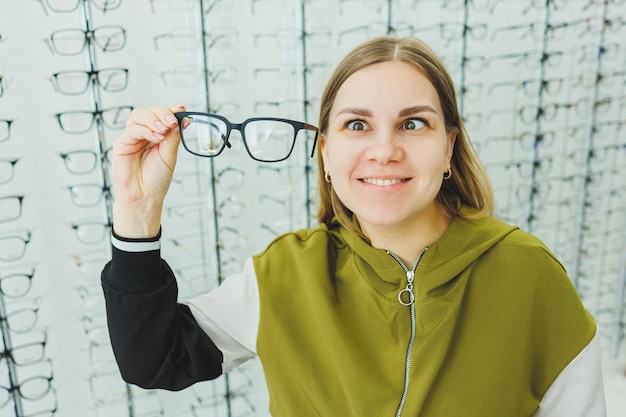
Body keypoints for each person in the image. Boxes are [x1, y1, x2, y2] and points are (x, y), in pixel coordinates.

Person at [101, 35, 606, 416]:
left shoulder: (530, 275)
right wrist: (136, 212)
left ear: (449, 146)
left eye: (413, 123)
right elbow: (152, 360)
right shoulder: (285, 275)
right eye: (356, 125)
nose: (383, 150)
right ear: (325, 152)